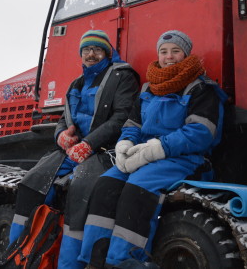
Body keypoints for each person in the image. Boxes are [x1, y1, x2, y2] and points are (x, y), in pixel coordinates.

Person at [78, 30, 227, 268]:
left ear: (186, 53)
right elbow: (132, 124)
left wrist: (157, 148)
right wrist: (125, 145)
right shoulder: (149, 88)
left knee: (138, 187)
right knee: (106, 184)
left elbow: (201, 134)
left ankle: (124, 261)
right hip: (144, 155)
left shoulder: (201, 89)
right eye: (164, 51)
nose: (169, 57)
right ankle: (95, 260)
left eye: (175, 51)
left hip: (184, 158)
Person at [8, 30, 139, 269]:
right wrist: (62, 135)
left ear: (107, 53)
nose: (91, 54)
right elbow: (63, 118)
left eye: (97, 49)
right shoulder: (76, 83)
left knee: (79, 193)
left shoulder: (122, 76)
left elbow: (123, 117)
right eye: (86, 50)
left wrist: (89, 144)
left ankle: (70, 265)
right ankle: (18, 258)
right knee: (32, 183)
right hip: (73, 151)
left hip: (104, 150)